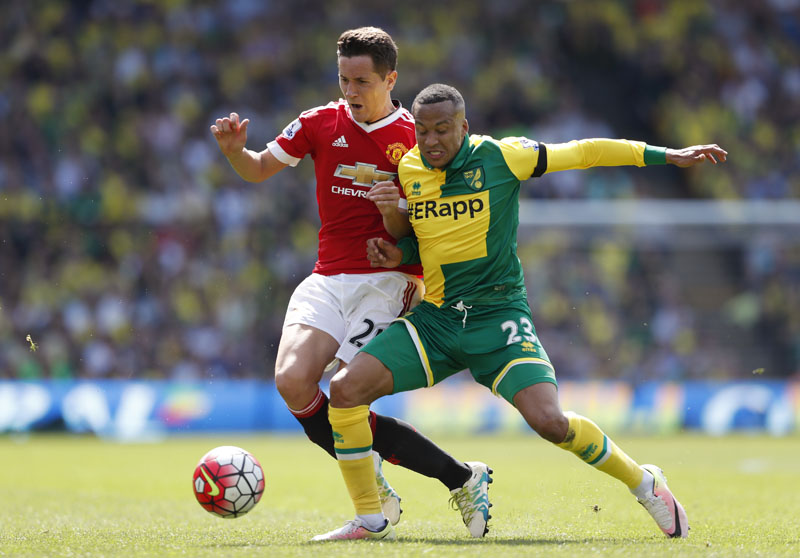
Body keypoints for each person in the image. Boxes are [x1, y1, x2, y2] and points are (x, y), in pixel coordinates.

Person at [316, 83, 728, 541]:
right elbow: (426, 236)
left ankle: (644, 483)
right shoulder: (409, 169)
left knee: (549, 422)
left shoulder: (503, 156)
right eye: (422, 131)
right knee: (345, 390)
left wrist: (666, 155)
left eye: (442, 130)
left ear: (464, 127)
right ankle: (371, 519)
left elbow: (585, 152)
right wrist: (397, 253)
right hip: (438, 319)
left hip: (497, 317)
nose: (431, 141)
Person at [210, 31, 490, 539]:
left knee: (346, 399)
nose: (350, 90)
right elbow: (258, 167)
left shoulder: (417, 137)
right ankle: (411, 482)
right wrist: (235, 152)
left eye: (361, 81)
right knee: (293, 382)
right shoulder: (319, 122)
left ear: (390, 79)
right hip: (328, 275)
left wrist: (395, 214)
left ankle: (409, 498)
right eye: (343, 79)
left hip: (389, 280)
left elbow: (428, 225)